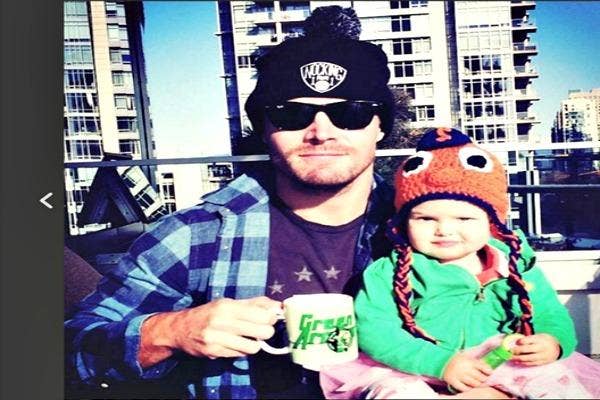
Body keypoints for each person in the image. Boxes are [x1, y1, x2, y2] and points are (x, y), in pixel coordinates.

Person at [65, 6, 397, 399]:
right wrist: (169, 332)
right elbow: (71, 351)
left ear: (381, 126)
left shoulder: (444, 223)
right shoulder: (196, 235)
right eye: (291, 113)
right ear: (265, 128)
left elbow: (492, 347)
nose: (320, 132)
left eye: (351, 113)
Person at [320, 127, 600, 399]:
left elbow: (549, 313)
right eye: (426, 219)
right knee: (395, 393)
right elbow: (375, 328)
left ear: (491, 223)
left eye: (464, 219)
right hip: (412, 367)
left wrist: (552, 341)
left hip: (499, 363)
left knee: (556, 382)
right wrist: (441, 364)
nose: (444, 230)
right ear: (404, 223)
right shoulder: (390, 272)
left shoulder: (514, 266)